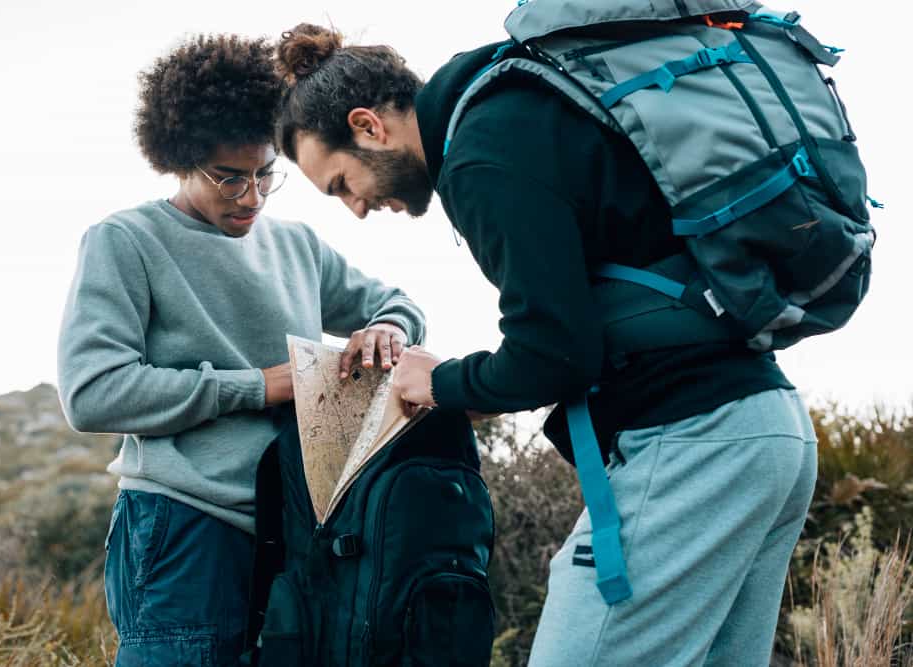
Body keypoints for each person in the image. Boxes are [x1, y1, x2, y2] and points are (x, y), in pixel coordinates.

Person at [274, 23, 819, 666]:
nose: (356, 209)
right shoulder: (521, 107)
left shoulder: (481, 150)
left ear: (367, 126)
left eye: (340, 184)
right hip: (768, 432)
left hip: (689, 445)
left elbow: (555, 353)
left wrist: (440, 381)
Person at [56, 34, 424, 666]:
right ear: (178, 156)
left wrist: (388, 330)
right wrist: (258, 385)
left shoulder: (298, 244)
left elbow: (397, 303)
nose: (250, 197)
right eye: (227, 178)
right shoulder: (125, 241)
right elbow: (91, 394)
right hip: (183, 530)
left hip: (300, 535)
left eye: (263, 175)